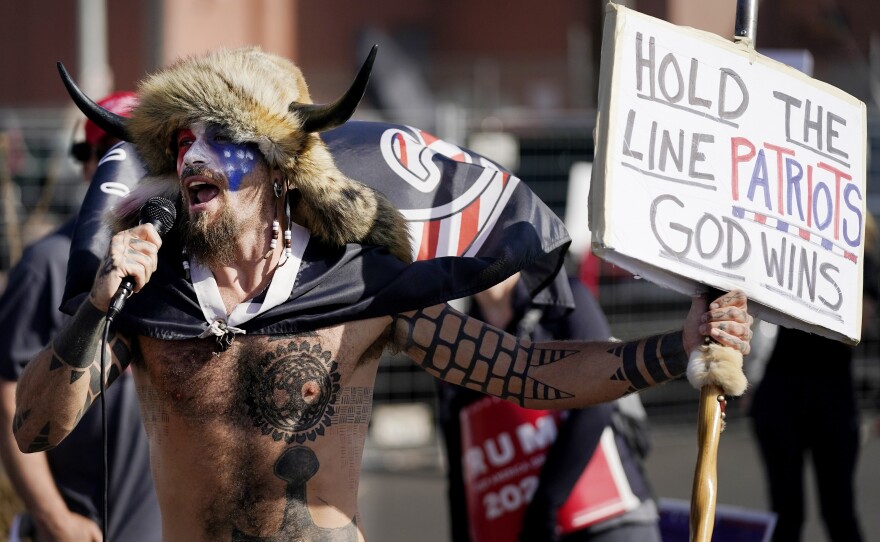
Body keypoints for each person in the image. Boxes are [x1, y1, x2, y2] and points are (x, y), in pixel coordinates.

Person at [13, 47, 752, 541]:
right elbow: (37, 427)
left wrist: (677, 351)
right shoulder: (154, 299)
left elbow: (528, 374)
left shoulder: (355, 284)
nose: (193, 156)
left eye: (221, 138)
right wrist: (100, 304)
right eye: (179, 144)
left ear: (278, 166)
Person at [0, 92, 161, 541]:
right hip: (78, 528)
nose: (132, 167)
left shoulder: (175, 266)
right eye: (114, 152)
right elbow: (7, 399)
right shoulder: (47, 264)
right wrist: (54, 518)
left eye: (145, 153)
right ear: (88, 163)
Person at [437, 273, 661, 542]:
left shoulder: (564, 297)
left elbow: (599, 401)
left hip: (608, 519)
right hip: (524, 530)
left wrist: (546, 503)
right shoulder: (454, 340)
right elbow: (460, 466)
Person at [748, 214, 878, 542]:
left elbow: (858, 324)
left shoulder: (864, 260)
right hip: (785, 395)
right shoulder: (793, 246)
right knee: (787, 513)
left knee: (838, 512)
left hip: (829, 398)